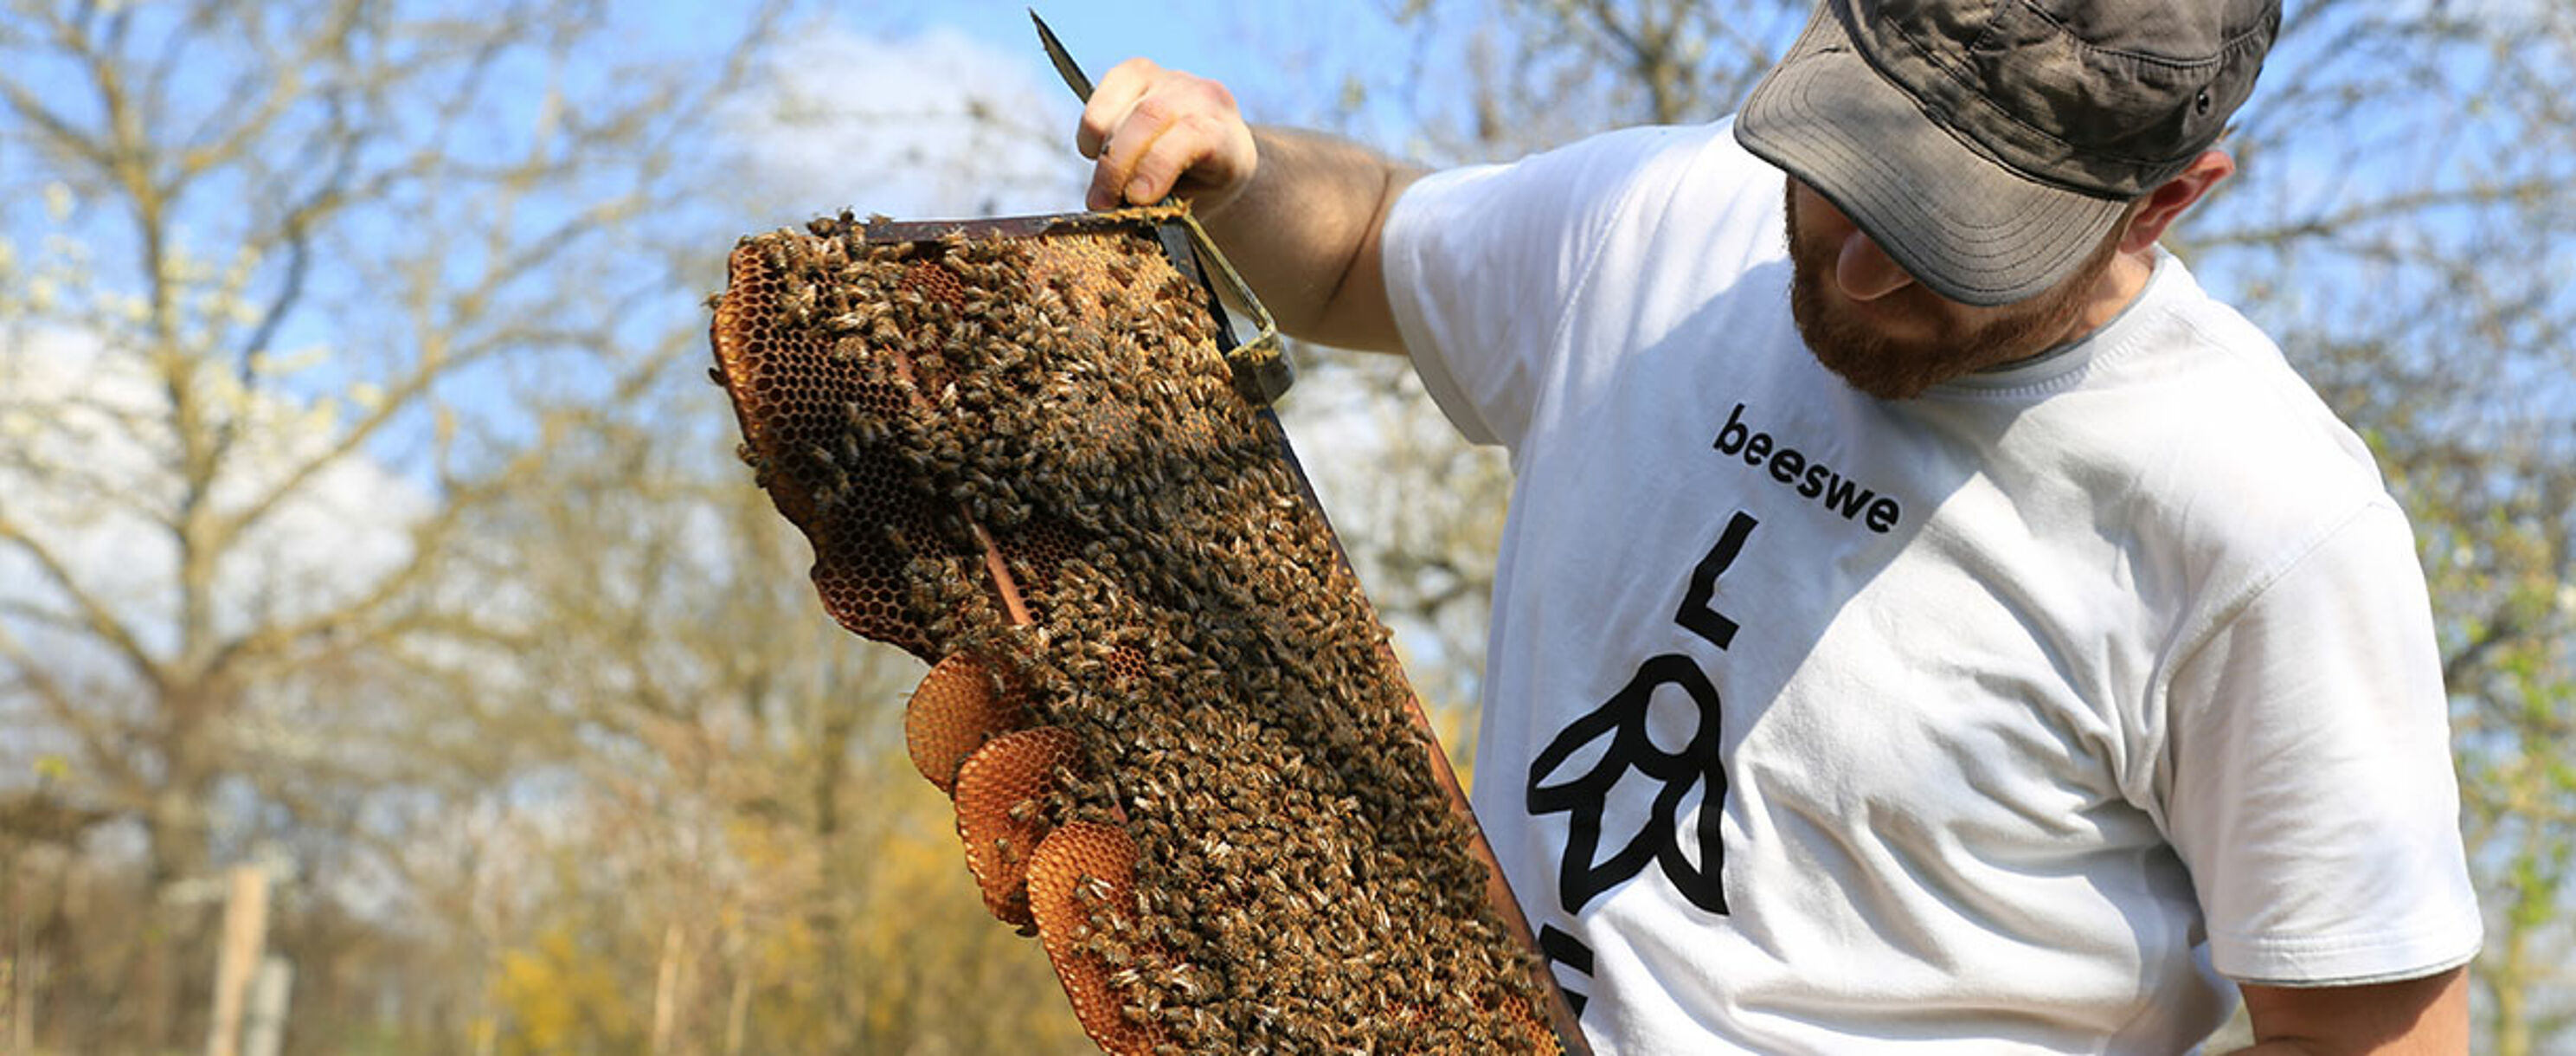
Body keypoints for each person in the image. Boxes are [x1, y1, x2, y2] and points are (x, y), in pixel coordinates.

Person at [1070, 0, 2482, 1051]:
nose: (1855, 268)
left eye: (1947, 238)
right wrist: (1242, 169)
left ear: (2162, 204)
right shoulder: (1667, 219)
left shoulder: (2262, 525)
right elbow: (1375, 243)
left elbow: (2369, 1036)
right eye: (1844, 173)